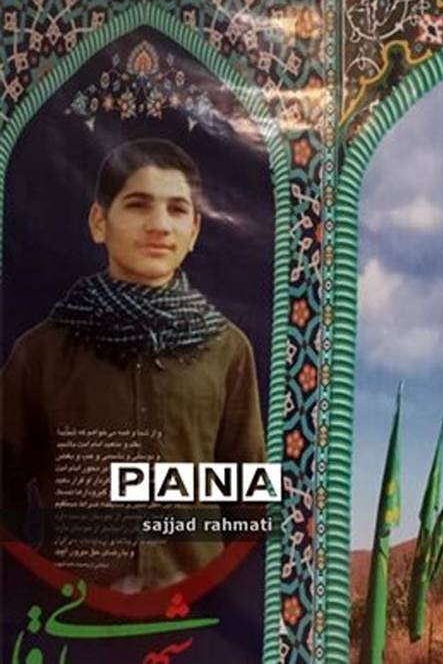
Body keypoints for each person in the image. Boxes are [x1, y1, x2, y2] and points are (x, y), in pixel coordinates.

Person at [0, 138, 265, 590]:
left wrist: (226, 597)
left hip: (197, 616)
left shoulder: (228, 350)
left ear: (195, 230)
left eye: (177, 209)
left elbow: (249, 499)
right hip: (72, 615)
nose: (159, 225)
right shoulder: (41, 353)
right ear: (99, 222)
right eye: (138, 205)